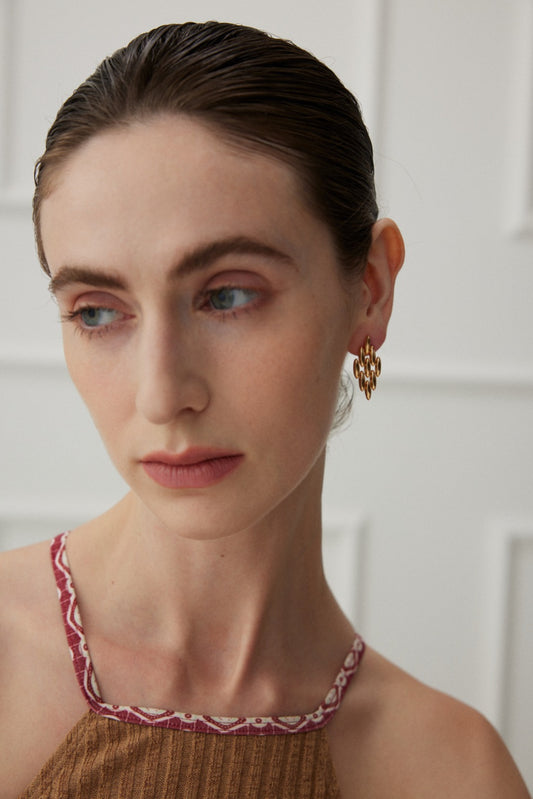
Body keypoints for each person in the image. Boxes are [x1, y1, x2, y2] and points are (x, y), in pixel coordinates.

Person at [0, 21, 529, 799]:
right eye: (97, 311)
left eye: (227, 296)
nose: (160, 394)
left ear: (370, 289)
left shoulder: (450, 771)